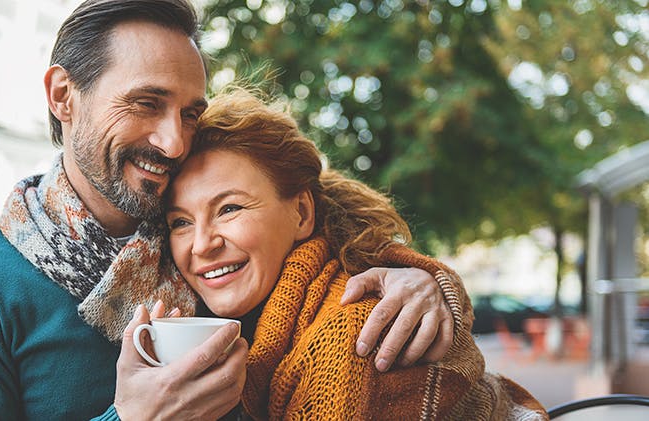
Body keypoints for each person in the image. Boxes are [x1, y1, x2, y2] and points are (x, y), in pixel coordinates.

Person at [0, 0, 456, 419]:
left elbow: (321, 225)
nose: (173, 142)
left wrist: (423, 280)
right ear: (63, 96)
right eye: (146, 103)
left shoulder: (209, 260)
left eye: (190, 114)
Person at [152, 87, 548, 419]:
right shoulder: (241, 319)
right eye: (180, 222)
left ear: (302, 212)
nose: (202, 244)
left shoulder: (349, 335)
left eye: (230, 209)